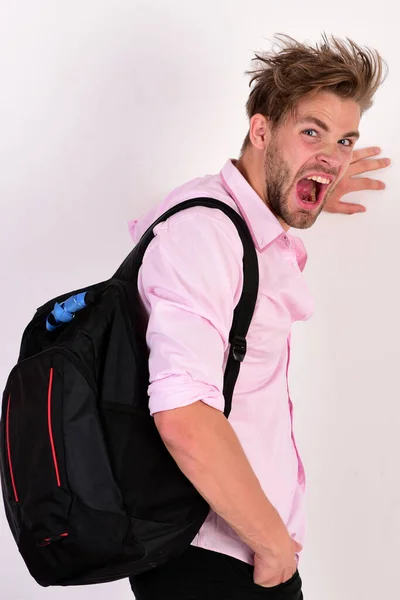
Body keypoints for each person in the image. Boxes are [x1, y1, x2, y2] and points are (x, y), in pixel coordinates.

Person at [129, 34, 390, 599]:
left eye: (344, 140)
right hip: (216, 556)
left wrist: (311, 180)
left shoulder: (239, 219)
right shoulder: (206, 235)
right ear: (260, 131)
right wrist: (272, 544)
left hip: (236, 550)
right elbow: (181, 412)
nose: (332, 154)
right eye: (311, 131)